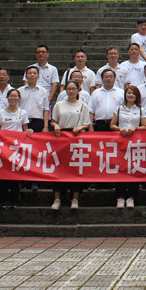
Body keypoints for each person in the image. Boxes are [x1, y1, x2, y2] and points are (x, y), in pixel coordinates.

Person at [0, 88, 32, 208]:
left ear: (19, 98)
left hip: (17, 148)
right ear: (7, 98)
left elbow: (25, 129)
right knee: (3, 173)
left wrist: (29, 131)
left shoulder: (23, 113)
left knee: (15, 174)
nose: (13, 98)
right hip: (4, 147)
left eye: (15, 96)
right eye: (11, 96)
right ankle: (2, 199)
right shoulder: (0, 113)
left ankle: (15, 200)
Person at [50, 80, 91, 210]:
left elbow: (87, 123)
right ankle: (57, 199)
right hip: (62, 139)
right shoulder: (59, 105)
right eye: (69, 89)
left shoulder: (83, 105)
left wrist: (80, 128)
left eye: (74, 89)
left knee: (75, 169)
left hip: (76, 138)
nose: (71, 91)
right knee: (59, 169)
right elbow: (53, 121)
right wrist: (56, 126)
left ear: (78, 90)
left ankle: (75, 198)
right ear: (65, 90)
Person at [111, 86, 146, 208]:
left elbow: (145, 126)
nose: (131, 95)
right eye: (129, 93)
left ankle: (131, 196)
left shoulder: (140, 109)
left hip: (135, 142)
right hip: (121, 141)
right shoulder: (119, 108)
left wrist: (135, 128)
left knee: (134, 168)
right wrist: (120, 128)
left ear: (137, 96)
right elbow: (112, 125)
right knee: (121, 168)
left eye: (133, 94)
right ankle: (120, 197)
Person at [19, 65, 50, 133]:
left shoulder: (43, 91)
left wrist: (45, 126)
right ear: (26, 76)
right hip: (22, 122)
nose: (32, 75)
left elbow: (46, 109)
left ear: (38, 76)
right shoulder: (20, 91)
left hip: (37, 123)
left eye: (34, 73)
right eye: (29, 73)